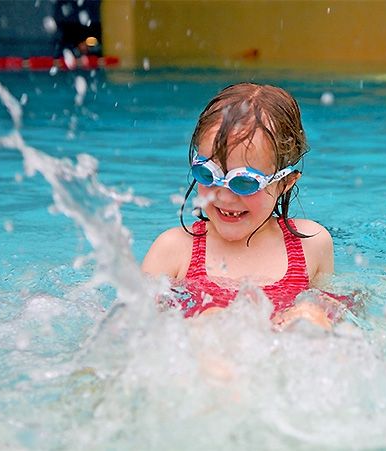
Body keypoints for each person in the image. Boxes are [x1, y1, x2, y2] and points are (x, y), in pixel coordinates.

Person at [142, 83, 351, 329]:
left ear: (285, 182)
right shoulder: (174, 250)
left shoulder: (311, 245)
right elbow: (132, 334)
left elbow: (342, 320)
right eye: (207, 174)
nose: (225, 196)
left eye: (244, 182)